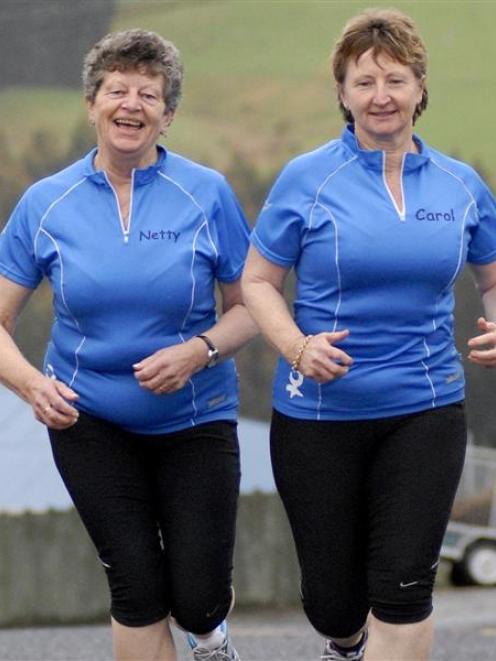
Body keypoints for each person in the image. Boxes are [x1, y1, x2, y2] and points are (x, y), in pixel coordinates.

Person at [242, 8, 496, 661]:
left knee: (406, 592)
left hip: (426, 407)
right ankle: (345, 643)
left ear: (420, 87)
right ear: (343, 94)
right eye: (364, 81)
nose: (380, 95)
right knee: (333, 603)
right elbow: (258, 282)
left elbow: (492, 279)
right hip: (319, 416)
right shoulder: (307, 178)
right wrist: (298, 345)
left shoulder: (461, 186)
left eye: (395, 78)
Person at [0, 29, 257, 661]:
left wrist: (199, 351)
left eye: (150, 93)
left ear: (167, 116)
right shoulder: (45, 204)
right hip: (90, 421)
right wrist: (33, 385)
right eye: (117, 89)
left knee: (197, 597)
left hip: (196, 419)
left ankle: (210, 637)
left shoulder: (207, 193)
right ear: (92, 103)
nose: (131, 104)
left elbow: (254, 307)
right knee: (136, 587)